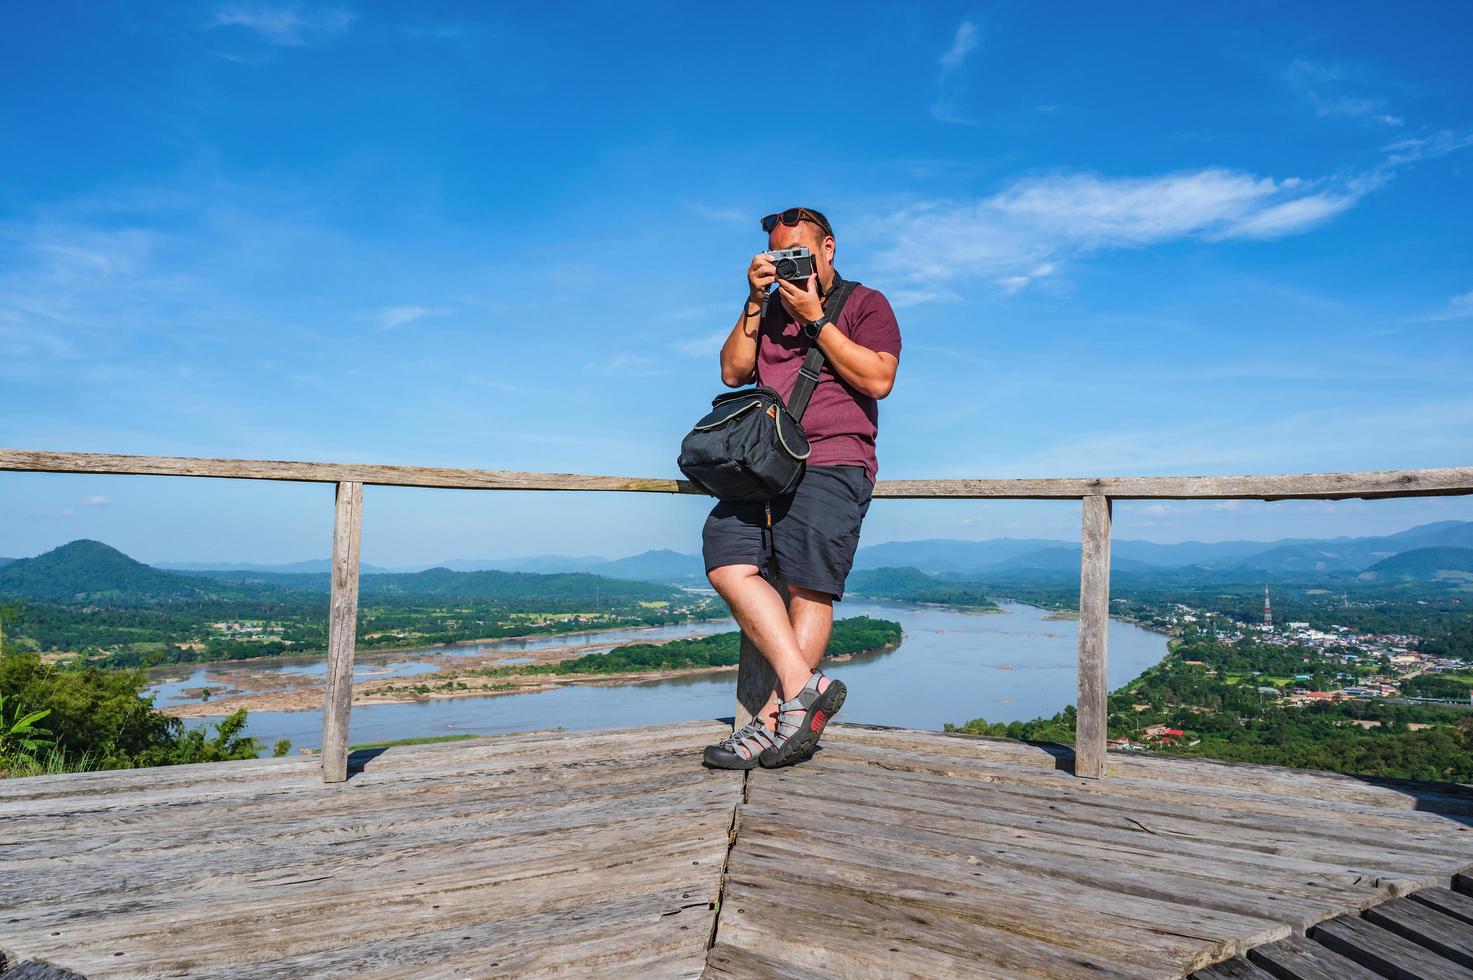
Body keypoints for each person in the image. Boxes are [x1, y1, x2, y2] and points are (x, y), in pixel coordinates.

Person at [700, 206, 902, 770]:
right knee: (726, 559)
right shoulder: (766, 309)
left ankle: (768, 725)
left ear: (828, 248)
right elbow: (733, 374)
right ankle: (803, 691)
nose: (787, 264)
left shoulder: (866, 304)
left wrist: (816, 319)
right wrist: (752, 302)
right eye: (776, 255)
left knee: (809, 587)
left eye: (796, 253)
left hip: (835, 458)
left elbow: (878, 379)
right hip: (765, 461)